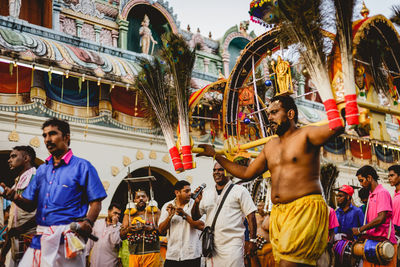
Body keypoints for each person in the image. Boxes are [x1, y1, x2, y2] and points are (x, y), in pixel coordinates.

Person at [196, 95, 343, 266]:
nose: (270, 118)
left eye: (274, 112)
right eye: (268, 114)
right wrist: (216, 155)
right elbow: (246, 173)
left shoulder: (306, 134)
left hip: (305, 209)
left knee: (288, 264)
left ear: (290, 114)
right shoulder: (271, 145)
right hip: (280, 213)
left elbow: (337, 126)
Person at [1, 118, 107, 266]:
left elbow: (96, 202)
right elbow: (30, 205)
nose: (47, 139)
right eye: (44, 135)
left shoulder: (83, 166)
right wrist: (15, 197)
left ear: (66, 137)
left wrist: (88, 222)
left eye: (52, 134)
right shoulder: (42, 170)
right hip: (41, 237)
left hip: (69, 237)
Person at [191, 162, 257, 267]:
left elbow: (251, 215)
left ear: (229, 172)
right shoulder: (207, 193)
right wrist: (196, 202)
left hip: (232, 246)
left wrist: (252, 240)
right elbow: (195, 217)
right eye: (214, 170)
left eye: (220, 169)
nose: (217, 172)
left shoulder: (240, 191)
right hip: (211, 246)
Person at [353, 165, 397, 267]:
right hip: (372, 243)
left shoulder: (382, 193)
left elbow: (381, 218)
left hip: (384, 244)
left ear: (369, 178)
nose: (361, 184)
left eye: (361, 180)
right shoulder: (371, 195)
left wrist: (361, 229)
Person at [0, 146, 37, 267]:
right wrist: (3, 253)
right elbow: (13, 224)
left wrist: (21, 229)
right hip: (16, 242)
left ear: (26, 158)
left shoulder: (36, 178)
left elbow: (44, 212)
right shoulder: (18, 181)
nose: (9, 160)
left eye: (14, 156)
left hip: (32, 241)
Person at [159, 180, 204, 267]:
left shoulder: (195, 204)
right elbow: (161, 230)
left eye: (190, 190)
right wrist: (170, 216)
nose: (190, 193)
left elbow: (201, 226)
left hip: (192, 255)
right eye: (186, 191)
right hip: (172, 255)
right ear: (177, 192)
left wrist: (184, 215)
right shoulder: (167, 205)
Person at [121, 189, 161, 267]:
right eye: (138, 197)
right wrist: (129, 229)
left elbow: (163, 231)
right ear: (134, 200)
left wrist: (152, 228)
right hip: (134, 254)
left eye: (143, 196)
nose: (141, 199)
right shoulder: (128, 214)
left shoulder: (155, 212)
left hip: (152, 253)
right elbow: (121, 236)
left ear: (148, 198)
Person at [86, 203, 122, 267]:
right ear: (109, 211)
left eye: (119, 214)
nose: (117, 216)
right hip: (94, 263)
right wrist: (86, 256)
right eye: (115, 213)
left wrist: (114, 225)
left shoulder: (120, 227)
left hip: (110, 263)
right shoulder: (97, 223)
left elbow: (115, 241)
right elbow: (89, 242)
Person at [388, 164, 400, 236]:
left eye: (392, 175)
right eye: (388, 176)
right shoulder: (394, 196)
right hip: (393, 233)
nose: (389, 178)